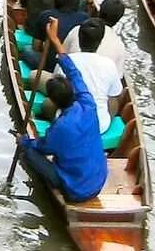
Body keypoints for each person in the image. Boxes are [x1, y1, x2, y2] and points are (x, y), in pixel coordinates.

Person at [17, 54, 108, 203]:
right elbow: (76, 76)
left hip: (76, 190)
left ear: (53, 101)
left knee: (29, 152)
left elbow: (41, 146)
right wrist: (64, 59)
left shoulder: (60, 128)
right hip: (99, 180)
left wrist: (24, 141)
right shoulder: (88, 104)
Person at [51, 19, 123, 133]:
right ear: (100, 42)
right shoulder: (109, 64)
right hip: (101, 126)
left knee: (48, 101)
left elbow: (54, 86)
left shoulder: (67, 62)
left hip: (69, 124)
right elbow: (115, 96)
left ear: (79, 39)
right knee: (113, 98)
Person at [24, 0, 89, 70]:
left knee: (27, 50)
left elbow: (36, 46)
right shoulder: (85, 18)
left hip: (52, 65)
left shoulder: (46, 16)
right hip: (77, 65)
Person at [63, 0, 127, 77]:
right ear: (118, 20)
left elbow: (62, 56)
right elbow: (118, 77)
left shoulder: (78, 29)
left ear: (100, 11)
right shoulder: (119, 46)